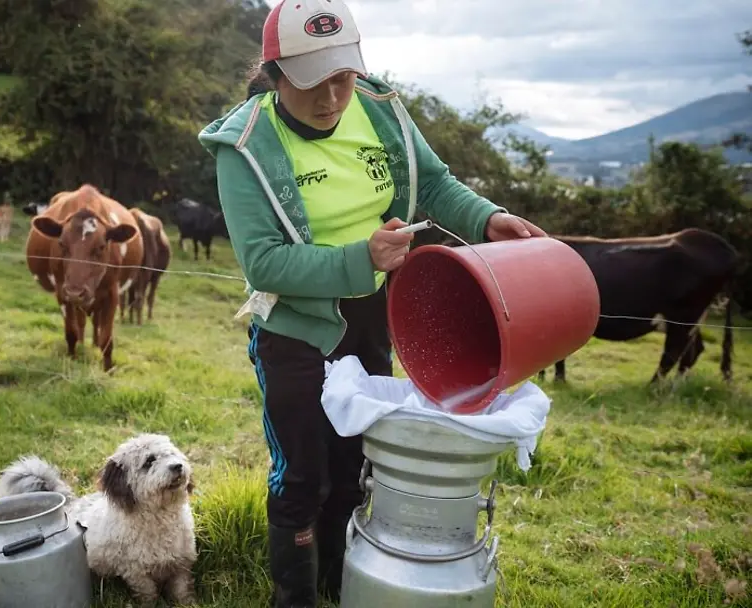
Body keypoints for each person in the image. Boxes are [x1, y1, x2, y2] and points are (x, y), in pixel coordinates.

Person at [197, 1, 547, 606]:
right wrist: (364, 259)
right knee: (303, 475)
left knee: (356, 464)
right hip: (297, 331)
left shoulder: (380, 111)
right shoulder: (247, 145)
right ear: (276, 75)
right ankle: (296, 597)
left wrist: (489, 220)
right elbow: (264, 263)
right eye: (312, 83)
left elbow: (433, 183)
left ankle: (341, 585)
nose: (332, 99)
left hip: (370, 322)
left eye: (343, 77)